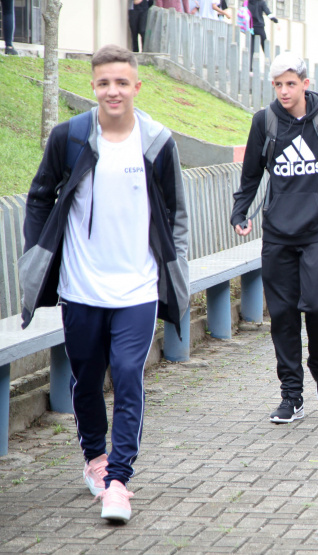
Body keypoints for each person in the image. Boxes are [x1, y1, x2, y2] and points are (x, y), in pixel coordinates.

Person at [20, 45, 188, 522]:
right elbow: (38, 196)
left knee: (130, 376)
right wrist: (39, 252)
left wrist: (174, 273)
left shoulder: (157, 142)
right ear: (93, 87)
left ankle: (119, 480)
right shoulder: (69, 138)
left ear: (137, 86)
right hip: (81, 288)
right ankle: (94, 457)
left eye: (121, 82)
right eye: (103, 83)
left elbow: (175, 215)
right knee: (87, 380)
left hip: (137, 287)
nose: (112, 91)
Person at [231, 53, 318, 422]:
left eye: (291, 83)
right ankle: (292, 395)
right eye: (278, 85)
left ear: (305, 83)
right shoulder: (265, 121)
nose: (284, 91)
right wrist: (240, 211)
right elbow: (250, 175)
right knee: (284, 316)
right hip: (278, 233)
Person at [248, 0, 279, 67]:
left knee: (251, 47)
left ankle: (250, 66)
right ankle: (270, 66)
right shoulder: (261, 2)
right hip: (259, 27)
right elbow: (268, 13)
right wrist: (276, 21)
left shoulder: (247, 2)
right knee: (265, 46)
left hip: (250, 27)